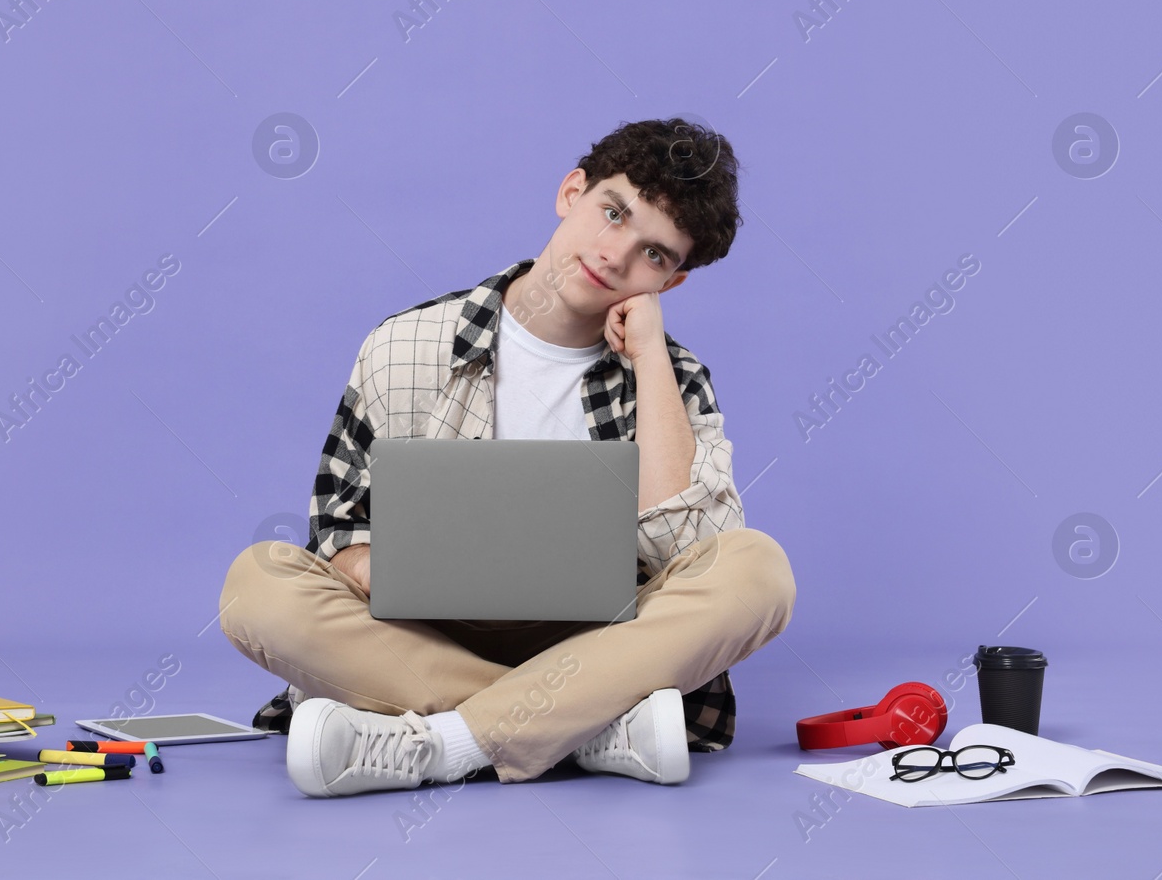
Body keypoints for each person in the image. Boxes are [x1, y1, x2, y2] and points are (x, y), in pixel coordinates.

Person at [219, 118, 796, 798]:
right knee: (258, 581)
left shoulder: (673, 375)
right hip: (429, 636)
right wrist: (408, 570)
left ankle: (440, 743)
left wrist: (648, 360)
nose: (615, 254)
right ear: (570, 191)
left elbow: (690, 549)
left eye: (654, 254)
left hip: (606, 637)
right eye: (612, 213)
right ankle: (590, 728)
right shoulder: (404, 343)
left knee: (758, 570)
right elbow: (339, 528)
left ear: (671, 283)